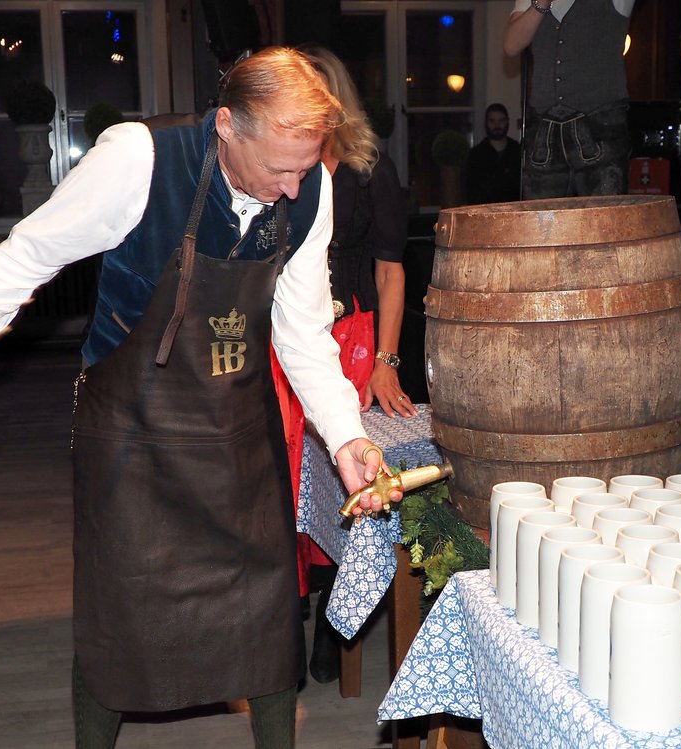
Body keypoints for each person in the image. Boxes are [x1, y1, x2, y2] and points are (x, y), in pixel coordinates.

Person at [0, 47, 400, 749]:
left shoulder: (311, 190)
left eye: (305, 169)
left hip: (236, 430)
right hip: (130, 429)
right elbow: (29, 254)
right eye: (279, 168)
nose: (291, 187)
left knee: (265, 612)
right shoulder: (138, 160)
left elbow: (304, 334)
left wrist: (346, 438)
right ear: (227, 125)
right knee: (118, 617)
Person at [272, 45, 412, 684]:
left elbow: (391, 272)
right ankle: (285, 610)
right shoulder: (277, 167)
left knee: (343, 478)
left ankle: (333, 623)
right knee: (284, 476)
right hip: (285, 340)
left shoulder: (368, 168)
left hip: (353, 337)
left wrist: (386, 360)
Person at [503, 0, 636, 198]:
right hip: (545, 128)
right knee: (543, 215)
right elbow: (511, 46)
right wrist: (542, 3)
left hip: (599, 124)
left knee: (602, 213)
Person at [466, 103, 522, 204]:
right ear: (486, 123)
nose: (497, 126)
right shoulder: (476, 155)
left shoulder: (518, 152)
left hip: (514, 210)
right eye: (492, 121)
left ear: (507, 122)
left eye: (501, 121)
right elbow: (471, 192)